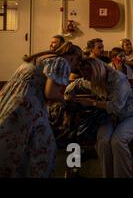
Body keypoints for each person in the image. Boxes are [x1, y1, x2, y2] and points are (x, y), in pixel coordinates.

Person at [0, 42, 82, 177]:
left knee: (12, 144)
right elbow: (50, 93)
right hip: (28, 105)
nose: (74, 68)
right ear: (74, 57)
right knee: (45, 146)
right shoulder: (62, 62)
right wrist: (66, 100)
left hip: (10, 101)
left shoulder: (39, 58)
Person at [73, 58, 133, 178]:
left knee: (118, 141)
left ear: (96, 73)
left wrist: (91, 103)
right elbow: (79, 82)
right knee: (103, 141)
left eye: (88, 76)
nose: (86, 79)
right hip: (109, 118)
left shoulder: (118, 79)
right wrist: (67, 92)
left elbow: (116, 108)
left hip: (129, 116)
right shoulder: (93, 79)